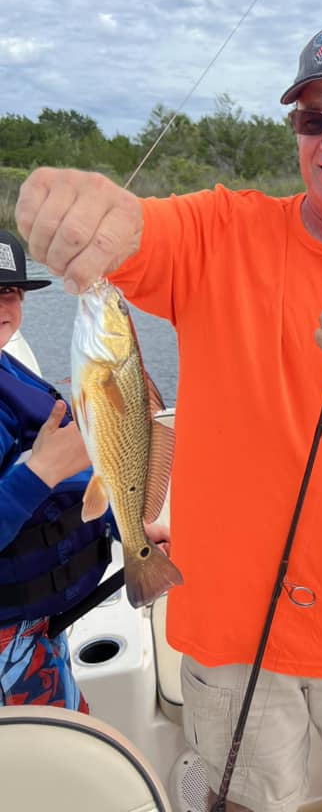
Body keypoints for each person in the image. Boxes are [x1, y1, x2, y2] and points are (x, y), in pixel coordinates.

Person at [15, 20, 322, 812]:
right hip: (232, 629)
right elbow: (137, 232)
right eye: (313, 119)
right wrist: (86, 211)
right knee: (243, 799)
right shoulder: (220, 230)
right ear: (296, 131)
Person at [0, 229, 113, 713]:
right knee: (62, 774)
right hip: (8, 643)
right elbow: (42, 478)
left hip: (37, 624)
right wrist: (39, 471)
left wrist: (124, 525)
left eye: (10, 292)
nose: (3, 306)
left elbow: (63, 492)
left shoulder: (10, 370)